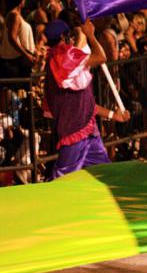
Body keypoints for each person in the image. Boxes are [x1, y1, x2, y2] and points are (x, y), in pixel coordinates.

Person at [43, 19, 130, 179]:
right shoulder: (63, 58)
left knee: (104, 174)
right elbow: (101, 57)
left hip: (89, 129)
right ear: (64, 37)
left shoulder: (68, 61)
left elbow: (86, 103)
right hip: (74, 130)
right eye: (72, 36)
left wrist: (112, 115)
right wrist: (89, 35)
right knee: (63, 179)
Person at [0, 0, 35, 78]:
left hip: (20, 59)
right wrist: (26, 55)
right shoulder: (14, 15)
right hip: (16, 61)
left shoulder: (15, 15)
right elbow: (12, 37)